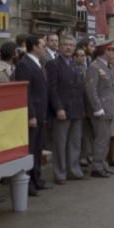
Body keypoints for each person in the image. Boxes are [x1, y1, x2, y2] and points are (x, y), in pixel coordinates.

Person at [12, 34, 50, 196]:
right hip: (33, 113)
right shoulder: (24, 65)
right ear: (34, 46)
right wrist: (30, 114)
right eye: (42, 45)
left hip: (41, 111)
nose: (44, 48)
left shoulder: (38, 63)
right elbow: (25, 92)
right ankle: (27, 183)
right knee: (31, 149)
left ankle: (37, 178)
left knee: (38, 148)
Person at [47, 35, 87, 182]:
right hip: (62, 110)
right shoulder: (53, 64)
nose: (68, 47)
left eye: (71, 45)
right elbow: (52, 89)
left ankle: (74, 170)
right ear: (60, 47)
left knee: (75, 143)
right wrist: (58, 108)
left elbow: (80, 89)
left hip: (76, 109)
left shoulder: (76, 65)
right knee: (60, 144)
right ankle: (60, 173)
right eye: (65, 44)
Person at [85, 41, 114, 178]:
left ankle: (103, 164)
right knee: (101, 139)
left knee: (105, 138)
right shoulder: (94, 67)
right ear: (105, 51)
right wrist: (97, 108)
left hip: (109, 108)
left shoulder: (107, 67)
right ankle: (97, 167)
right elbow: (91, 89)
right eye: (111, 50)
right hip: (101, 110)